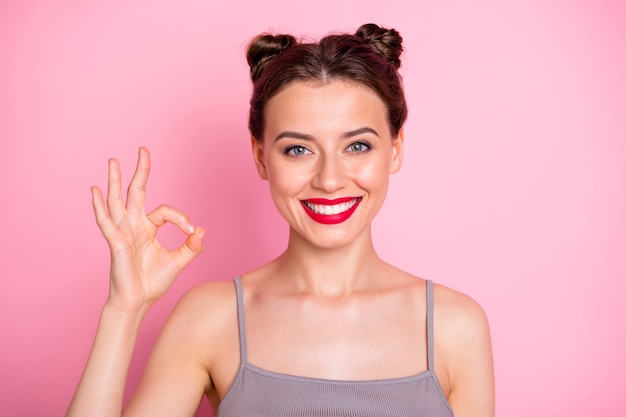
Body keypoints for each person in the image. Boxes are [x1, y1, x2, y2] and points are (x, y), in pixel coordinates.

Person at [66, 23, 494, 417]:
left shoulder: (454, 328)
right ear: (260, 157)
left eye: (358, 146)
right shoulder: (210, 318)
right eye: (298, 149)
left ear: (395, 149)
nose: (329, 180)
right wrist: (124, 309)